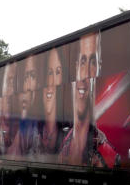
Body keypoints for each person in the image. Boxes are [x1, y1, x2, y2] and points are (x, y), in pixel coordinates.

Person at [61, 32, 119, 167]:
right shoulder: (64, 145)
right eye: (83, 61)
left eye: (92, 62)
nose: (86, 72)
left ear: (99, 67)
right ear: (76, 67)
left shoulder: (108, 155)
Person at [39, 47, 64, 158]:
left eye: (58, 72)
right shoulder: (35, 128)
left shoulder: (68, 130)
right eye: (49, 72)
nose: (52, 81)